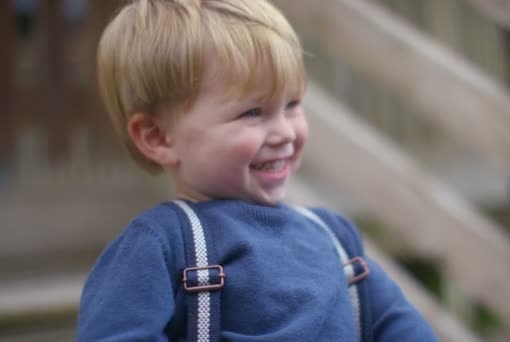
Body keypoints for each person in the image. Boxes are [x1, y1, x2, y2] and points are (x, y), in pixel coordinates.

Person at [76, 0, 437, 341]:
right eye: (252, 112)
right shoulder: (156, 247)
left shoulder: (334, 237)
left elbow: (401, 328)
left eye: (292, 104)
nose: (285, 132)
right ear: (158, 137)